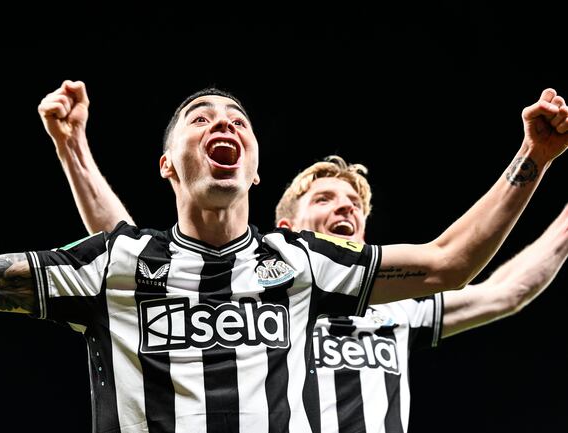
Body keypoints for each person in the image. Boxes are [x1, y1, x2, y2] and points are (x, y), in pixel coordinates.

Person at [0, 81, 567, 433]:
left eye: (239, 120)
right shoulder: (120, 262)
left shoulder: (302, 265)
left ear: (255, 165)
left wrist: (532, 155)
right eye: (200, 118)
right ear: (168, 166)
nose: (224, 124)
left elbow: (447, 265)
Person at [43, 82, 568, 432]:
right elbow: (133, 262)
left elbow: (499, 285)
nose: (346, 211)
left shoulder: (393, 310)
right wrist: (74, 151)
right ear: (288, 228)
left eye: (355, 205)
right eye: (325, 199)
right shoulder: (275, 286)